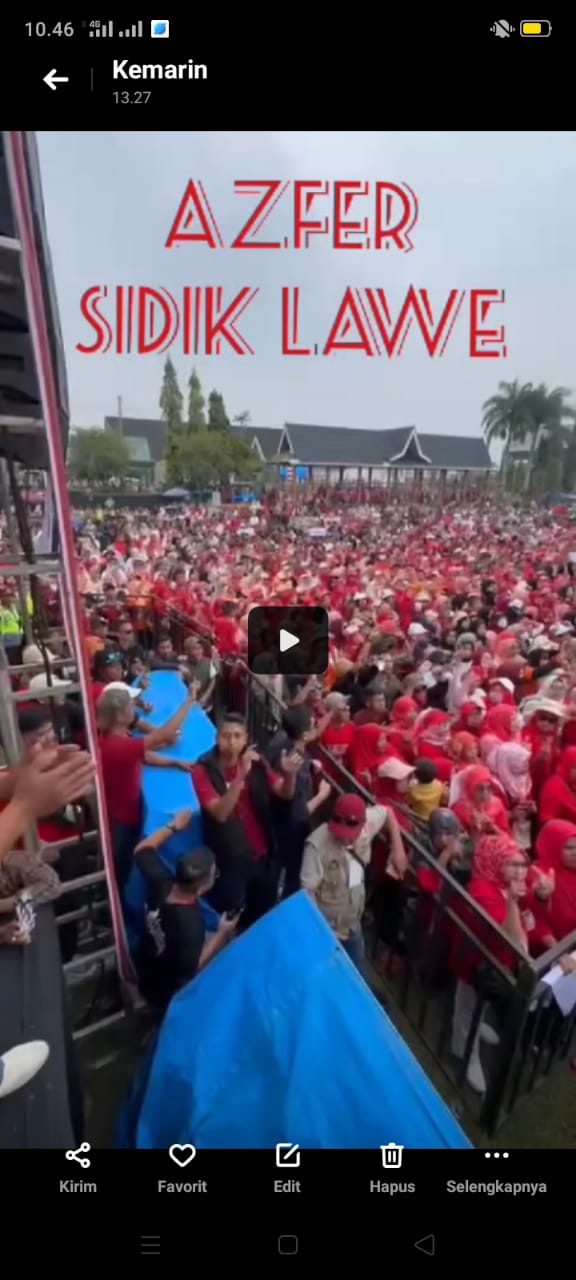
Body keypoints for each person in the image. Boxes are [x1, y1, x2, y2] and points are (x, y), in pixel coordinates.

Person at [191, 712, 301, 927]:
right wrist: (241, 775)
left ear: (245, 739)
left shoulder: (257, 762)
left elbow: (284, 793)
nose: (231, 742)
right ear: (217, 738)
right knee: (232, 919)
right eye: (225, 736)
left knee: (262, 917)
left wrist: (290, 775)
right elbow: (220, 813)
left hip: (263, 856)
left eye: (237, 736)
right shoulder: (203, 769)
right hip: (230, 862)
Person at [97, 684, 199, 890]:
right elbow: (165, 735)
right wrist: (189, 701)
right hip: (121, 821)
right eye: (130, 705)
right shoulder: (117, 745)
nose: (134, 707)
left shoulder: (117, 738)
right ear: (118, 715)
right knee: (120, 872)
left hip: (123, 813)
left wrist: (173, 762)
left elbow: (142, 755)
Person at [133, 811, 238, 1010]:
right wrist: (221, 934)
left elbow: (142, 850)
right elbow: (193, 966)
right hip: (166, 992)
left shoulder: (161, 882)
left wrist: (173, 826)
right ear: (200, 889)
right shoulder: (191, 926)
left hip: (146, 965)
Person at [300, 792, 408, 968]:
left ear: (363, 824)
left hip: (352, 924)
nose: (343, 837)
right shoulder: (316, 847)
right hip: (326, 930)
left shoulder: (368, 825)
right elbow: (307, 895)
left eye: (350, 833)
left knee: (358, 974)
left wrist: (398, 848)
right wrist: (323, 933)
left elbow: (387, 811)